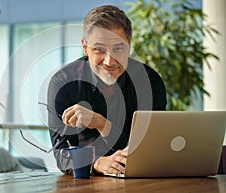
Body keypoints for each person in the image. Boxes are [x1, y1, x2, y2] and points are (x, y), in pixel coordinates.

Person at [47, 5, 167, 175]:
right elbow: (62, 154)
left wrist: (102, 124)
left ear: (129, 46)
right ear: (85, 47)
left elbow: (149, 151)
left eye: (118, 48)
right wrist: (96, 163)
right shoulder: (63, 84)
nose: (109, 61)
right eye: (99, 49)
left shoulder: (149, 81)